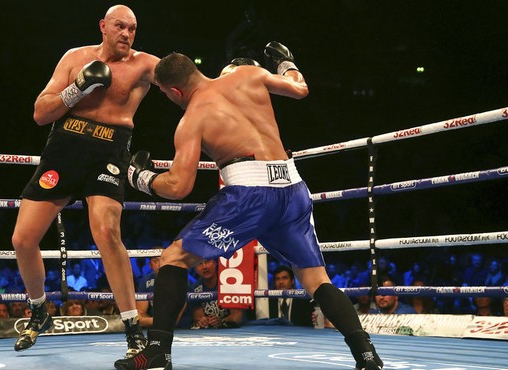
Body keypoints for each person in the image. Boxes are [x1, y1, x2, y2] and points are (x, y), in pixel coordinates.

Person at [114, 48, 383, 370]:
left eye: (164, 93)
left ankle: (157, 352)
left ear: (174, 91)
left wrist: (139, 177)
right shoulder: (248, 75)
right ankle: (366, 354)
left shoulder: (193, 117)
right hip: (293, 189)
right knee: (315, 279)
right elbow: (299, 88)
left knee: (173, 258)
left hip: (249, 193)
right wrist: (286, 62)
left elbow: (177, 187)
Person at [11, 4, 159, 358]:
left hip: (108, 153)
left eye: (133, 28)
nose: (127, 34)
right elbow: (40, 112)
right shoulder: (75, 58)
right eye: (120, 26)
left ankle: (133, 329)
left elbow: (190, 83)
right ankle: (39, 310)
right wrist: (77, 88)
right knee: (22, 239)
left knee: (107, 233)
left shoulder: (144, 65)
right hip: (63, 150)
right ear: (103, 27)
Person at [190, 259, 243, 329]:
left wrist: (222, 321)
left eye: (207, 262)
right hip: (209, 333)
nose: (204, 267)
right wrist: (203, 321)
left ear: (215, 263)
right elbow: (198, 317)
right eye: (199, 264)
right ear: (195, 269)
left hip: (233, 330)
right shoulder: (195, 288)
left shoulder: (229, 281)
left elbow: (237, 317)